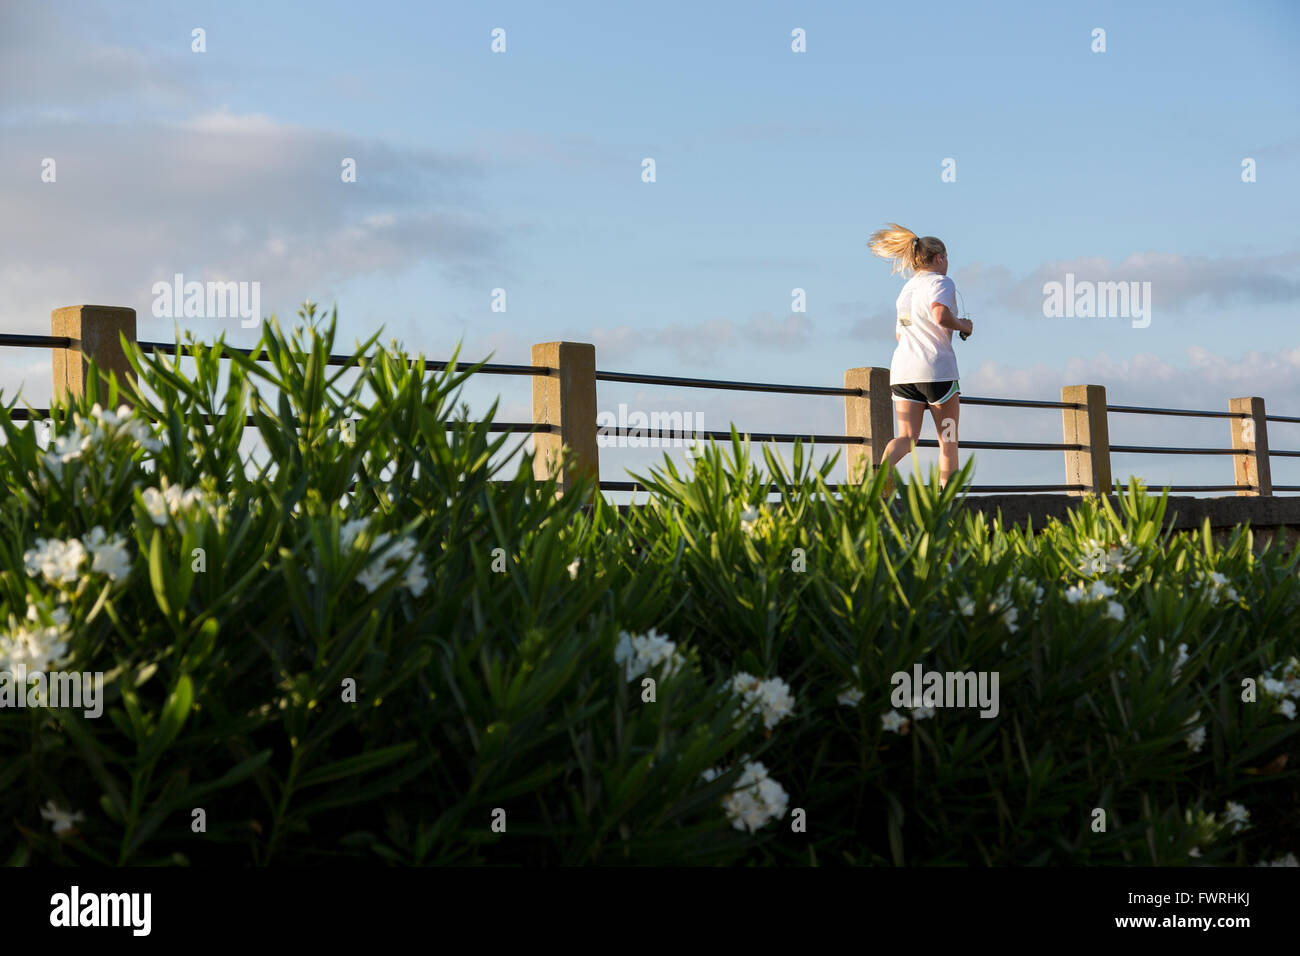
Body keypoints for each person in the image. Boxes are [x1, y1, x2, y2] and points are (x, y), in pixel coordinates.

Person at [866, 223, 974, 493]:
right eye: (946, 258)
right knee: (947, 440)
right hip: (937, 371)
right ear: (939, 258)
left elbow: (900, 334)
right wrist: (964, 326)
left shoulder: (906, 292)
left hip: (903, 372)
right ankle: (948, 503)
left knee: (905, 437)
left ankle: (878, 487)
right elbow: (940, 315)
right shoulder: (941, 282)